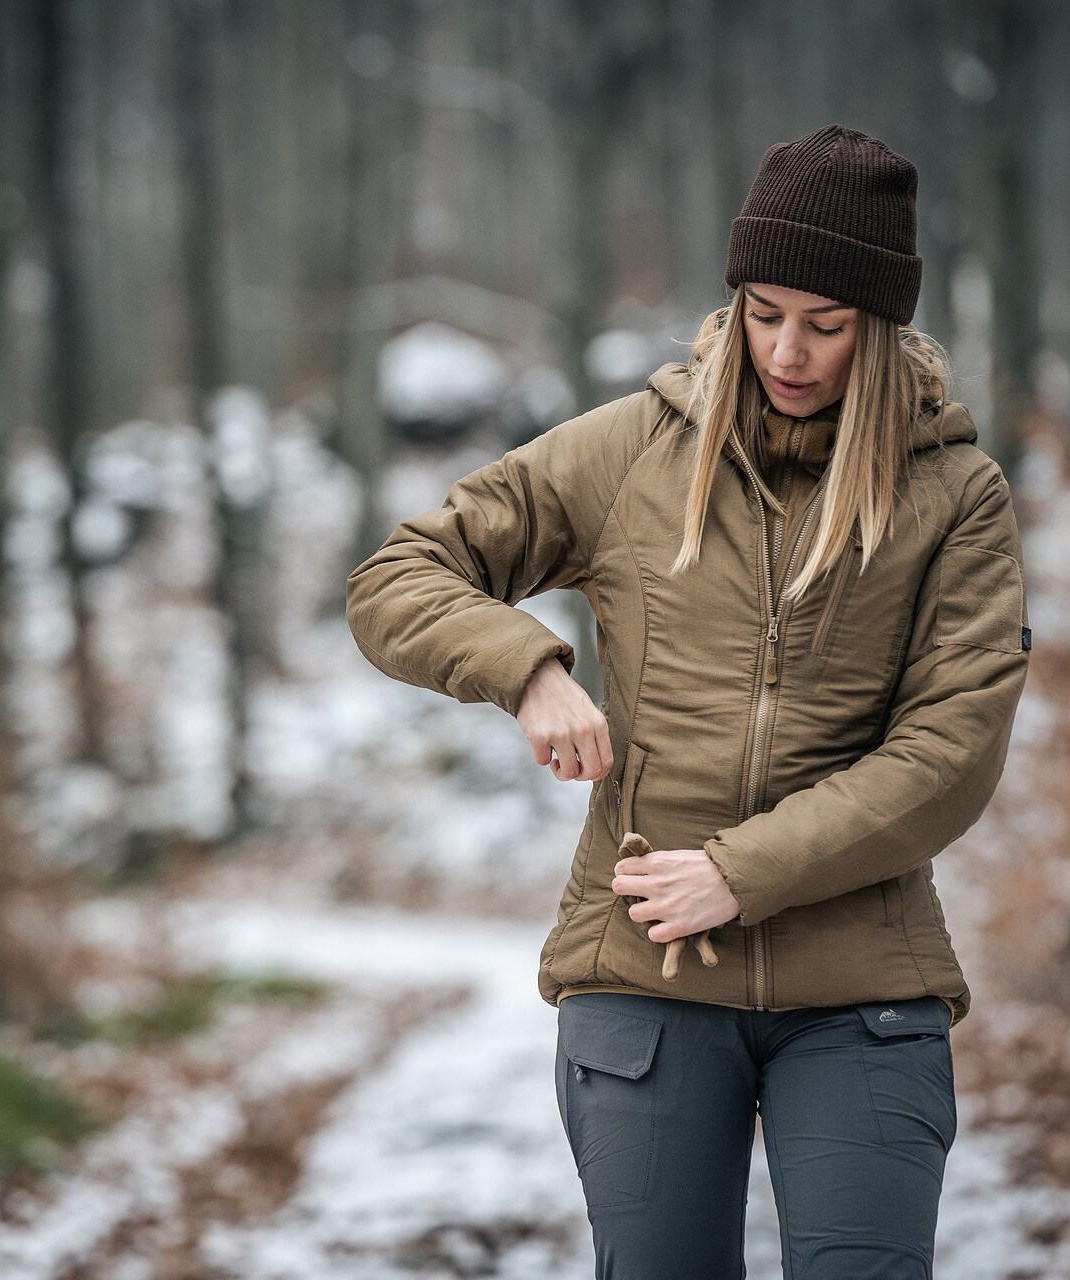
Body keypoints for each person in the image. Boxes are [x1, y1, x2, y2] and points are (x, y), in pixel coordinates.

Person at [345, 124, 1030, 1279]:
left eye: (826, 323)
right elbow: (397, 577)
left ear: (882, 321)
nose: (788, 350)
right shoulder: (631, 453)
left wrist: (740, 870)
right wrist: (530, 667)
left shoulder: (952, 493)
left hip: (860, 989)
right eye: (765, 311)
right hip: (643, 973)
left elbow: (950, 750)